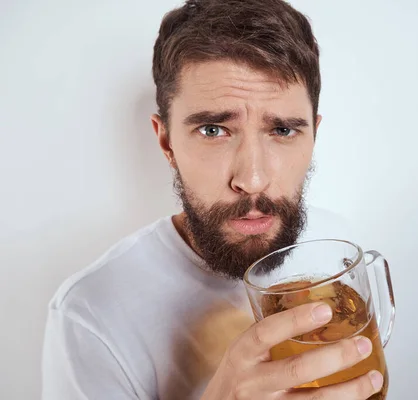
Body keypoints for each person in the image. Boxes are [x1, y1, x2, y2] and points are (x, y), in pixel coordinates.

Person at [42, 0, 385, 399]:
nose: (252, 180)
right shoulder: (89, 316)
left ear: (314, 136)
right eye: (212, 130)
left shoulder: (337, 249)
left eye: (283, 131)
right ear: (166, 141)